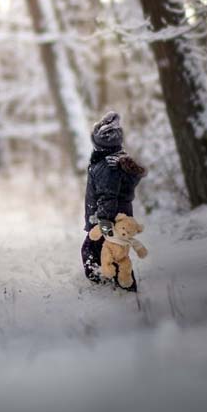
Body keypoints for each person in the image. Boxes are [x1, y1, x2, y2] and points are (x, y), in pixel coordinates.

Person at [81, 110, 147, 290]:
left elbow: (107, 196)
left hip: (109, 220)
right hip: (118, 216)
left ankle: (109, 285)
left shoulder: (106, 167)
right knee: (117, 252)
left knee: (94, 251)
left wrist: (103, 224)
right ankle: (116, 283)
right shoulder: (116, 159)